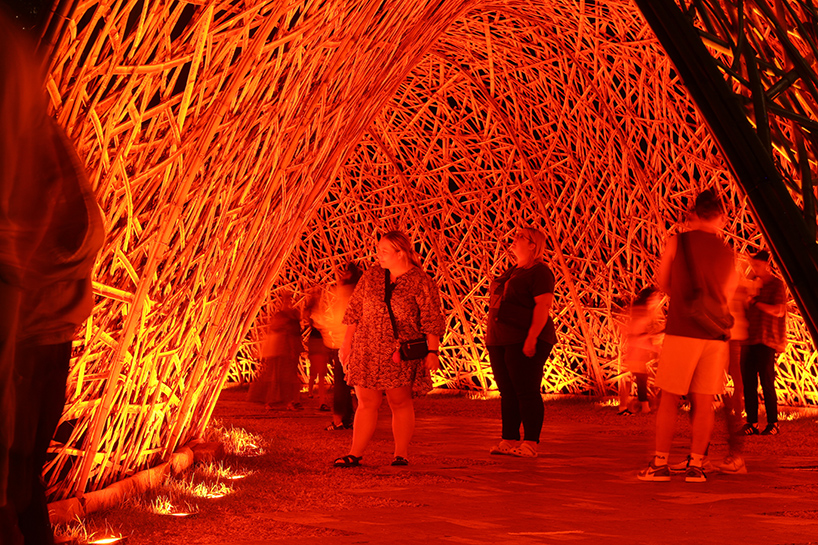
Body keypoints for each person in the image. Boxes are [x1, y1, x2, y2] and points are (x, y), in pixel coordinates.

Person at [1, 12, 106, 544]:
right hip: (38, 332)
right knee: (20, 475)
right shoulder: (42, 151)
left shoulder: (40, 151)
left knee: (21, 473)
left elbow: (71, 237)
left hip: (40, 335)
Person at [638, 189, 737, 483]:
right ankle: (696, 465)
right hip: (715, 335)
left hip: (683, 330)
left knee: (669, 398)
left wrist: (684, 299)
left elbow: (663, 283)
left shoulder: (677, 242)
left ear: (694, 213)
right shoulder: (727, 251)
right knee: (704, 401)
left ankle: (660, 463)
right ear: (722, 217)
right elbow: (728, 295)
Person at [333, 231, 445, 467]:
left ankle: (400, 453)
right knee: (366, 402)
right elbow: (355, 310)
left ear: (400, 253)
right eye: (379, 250)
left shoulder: (420, 281)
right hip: (367, 348)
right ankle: (355, 453)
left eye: (384, 251)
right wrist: (347, 344)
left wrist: (432, 351)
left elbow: (431, 318)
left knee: (399, 401)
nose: (379, 255)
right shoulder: (372, 275)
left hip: (399, 351)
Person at [485, 228, 557, 458]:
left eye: (520, 238)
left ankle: (530, 443)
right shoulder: (512, 271)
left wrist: (532, 337)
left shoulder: (539, 272)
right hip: (499, 337)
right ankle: (509, 438)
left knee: (526, 390)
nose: (513, 241)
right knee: (507, 390)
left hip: (523, 335)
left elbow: (542, 305)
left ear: (533, 245)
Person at [741, 250, 787, 436]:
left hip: (767, 338)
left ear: (767, 265)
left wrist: (755, 302)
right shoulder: (751, 284)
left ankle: (773, 423)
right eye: (753, 266)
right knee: (748, 383)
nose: (755, 269)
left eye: (757, 265)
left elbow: (779, 311)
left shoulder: (776, 284)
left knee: (767, 382)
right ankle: (751, 422)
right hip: (749, 338)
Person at [312, 262, 362, 430]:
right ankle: (350, 418)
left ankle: (339, 420)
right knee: (352, 385)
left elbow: (336, 322)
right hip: (356, 345)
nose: (340, 277)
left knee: (341, 385)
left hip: (342, 345)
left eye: (344, 274)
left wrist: (317, 316)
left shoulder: (344, 295)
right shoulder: (359, 295)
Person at [247, 291, 304, 411]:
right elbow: (277, 329)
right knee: (277, 377)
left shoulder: (290, 315)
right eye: (286, 299)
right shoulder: (282, 316)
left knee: (287, 377)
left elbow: (295, 331)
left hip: (288, 350)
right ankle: (275, 401)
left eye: (288, 299)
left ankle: (287, 401)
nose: (288, 302)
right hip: (281, 350)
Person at [618, 287, 662, 416]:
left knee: (638, 378)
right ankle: (636, 407)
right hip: (636, 353)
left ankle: (629, 406)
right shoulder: (642, 314)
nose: (658, 300)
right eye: (656, 297)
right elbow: (634, 338)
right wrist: (654, 343)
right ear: (649, 298)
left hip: (639, 353)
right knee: (639, 378)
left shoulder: (643, 312)